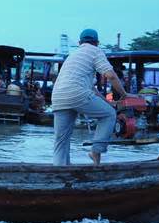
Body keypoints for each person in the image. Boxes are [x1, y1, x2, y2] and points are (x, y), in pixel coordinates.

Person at [51, 29, 132, 166]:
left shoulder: (74, 54)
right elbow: (110, 75)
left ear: (79, 42)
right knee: (109, 115)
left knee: (61, 140)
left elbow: (92, 88)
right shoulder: (95, 51)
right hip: (77, 94)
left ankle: (60, 172)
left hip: (58, 97)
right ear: (97, 43)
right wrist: (124, 94)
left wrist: (107, 102)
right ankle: (96, 151)